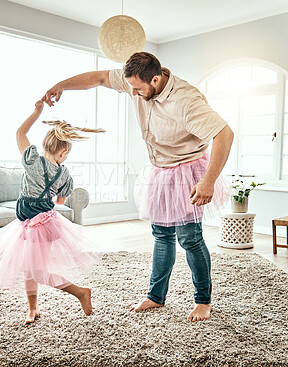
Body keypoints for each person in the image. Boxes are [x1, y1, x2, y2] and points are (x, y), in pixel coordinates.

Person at [42, 52, 234, 322]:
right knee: (161, 235)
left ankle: (203, 301)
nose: (131, 91)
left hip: (189, 169)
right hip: (160, 170)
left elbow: (224, 133)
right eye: (129, 85)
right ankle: (156, 296)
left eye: (137, 88)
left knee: (189, 238)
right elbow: (98, 78)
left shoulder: (186, 100)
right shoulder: (137, 80)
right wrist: (60, 85)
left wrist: (208, 181)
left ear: (155, 79)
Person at [0, 100, 104, 325]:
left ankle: (80, 292)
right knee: (29, 269)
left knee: (37, 271)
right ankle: (32, 309)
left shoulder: (32, 161)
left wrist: (36, 112)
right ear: (64, 151)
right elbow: (61, 200)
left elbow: (20, 132)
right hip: (34, 221)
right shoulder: (64, 174)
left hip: (39, 225)